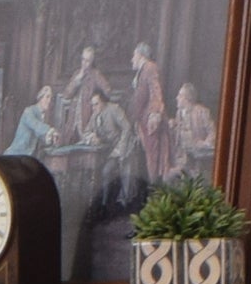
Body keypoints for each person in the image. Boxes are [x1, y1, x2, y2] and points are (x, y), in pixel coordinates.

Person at [82, 89, 139, 211]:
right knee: (106, 172)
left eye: (96, 104)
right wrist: (92, 137)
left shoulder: (114, 109)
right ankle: (104, 204)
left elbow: (127, 128)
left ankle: (126, 205)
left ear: (103, 102)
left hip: (125, 147)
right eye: (92, 105)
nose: (94, 107)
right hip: (111, 150)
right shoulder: (95, 115)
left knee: (126, 176)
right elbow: (86, 131)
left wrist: (121, 148)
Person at [130, 42, 169, 182]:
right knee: (147, 157)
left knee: (153, 158)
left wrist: (154, 113)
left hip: (150, 120)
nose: (132, 59)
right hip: (143, 120)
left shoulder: (150, 68)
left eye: (134, 55)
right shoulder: (142, 71)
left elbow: (155, 91)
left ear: (141, 55)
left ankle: (154, 191)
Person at [59, 45, 112, 143]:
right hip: (73, 118)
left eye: (87, 61)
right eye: (83, 60)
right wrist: (77, 80)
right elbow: (66, 95)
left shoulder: (96, 75)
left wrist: (98, 100)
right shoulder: (76, 74)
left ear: (91, 62)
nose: (84, 63)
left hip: (87, 117)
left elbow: (108, 91)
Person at [168, 82, 216, 179]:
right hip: (181, 159)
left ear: (187, 98)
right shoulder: (179, 114)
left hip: (197, 159)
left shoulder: (201, 112)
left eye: (180, 95)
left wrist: (205, 143)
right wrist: (173, 125)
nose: (177, 98)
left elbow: (213, 132)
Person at [4, 85, 59, 156]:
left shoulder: (40, 116)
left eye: (51, 98)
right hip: (14, 155)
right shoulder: (29, 112)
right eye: (47, 97)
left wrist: (51, 139)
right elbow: (35, 125)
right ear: (40, 97)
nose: (49, 101)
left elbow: (40, 135)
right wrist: (51, 130)